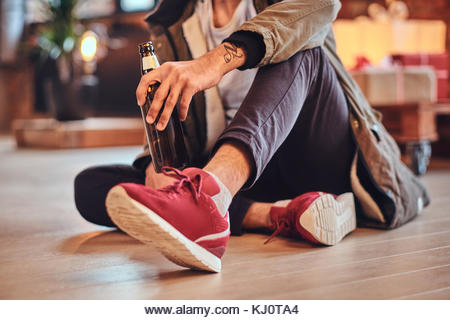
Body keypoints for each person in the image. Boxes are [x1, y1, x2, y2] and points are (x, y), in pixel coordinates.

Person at [74, 0, 429, 273]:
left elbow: (323, 4)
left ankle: (211, 199)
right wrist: (156, 166)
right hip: (247, 177)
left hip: (312, 150)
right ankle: (272, 215)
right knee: (92, 185)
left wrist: (212, 63)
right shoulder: (172, 22)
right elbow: (164, 112)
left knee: (301, 48)